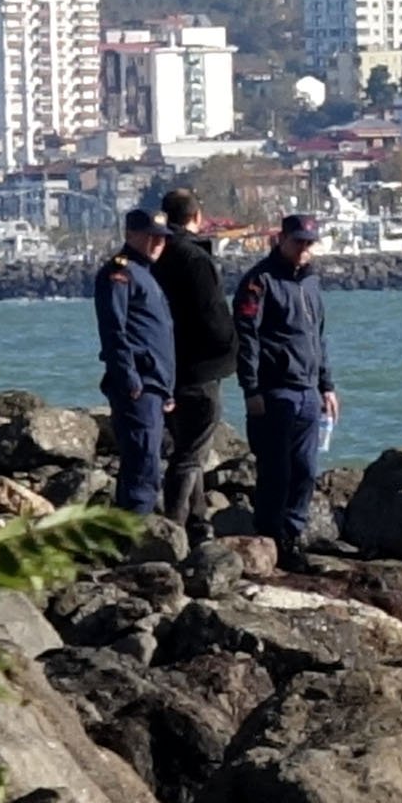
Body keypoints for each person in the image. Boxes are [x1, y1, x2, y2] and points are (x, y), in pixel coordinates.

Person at [234, 214, 336, 572]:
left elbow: (318, 338)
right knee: (275, 470)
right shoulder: (259, 281)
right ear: (281, 239)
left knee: (306, 469)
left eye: (309, 243)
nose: (304, 249)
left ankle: (292, 535)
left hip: (308, 390)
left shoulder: (311, 283)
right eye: (298, 242)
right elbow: (246, 338)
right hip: (274, 390)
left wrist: (327, 385)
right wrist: (251, 388)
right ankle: (269, 536)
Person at [151, 188, 237, 545]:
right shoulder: (194, 258)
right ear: (197, 216)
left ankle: (199, 523)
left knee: (188, 443)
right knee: (192, 451)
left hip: (169, 364)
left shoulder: (156, 256)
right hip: (199, 365)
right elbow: (213, 314)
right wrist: (233, 346)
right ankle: (174, 526)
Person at [92, 209, 177, 515]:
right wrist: (130, 380)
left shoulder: (146, 274)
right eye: (151, 236)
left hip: (154, 385)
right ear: (130, 235)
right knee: (143, 464)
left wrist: (166, 389)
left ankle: (131, 532)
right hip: (138, 385)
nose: (158, 243)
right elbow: (114, 330)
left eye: (163, 238)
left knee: (146, 460)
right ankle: (134, 537)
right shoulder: (121, 272)